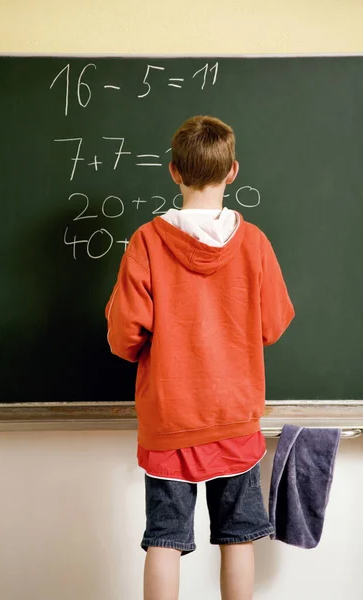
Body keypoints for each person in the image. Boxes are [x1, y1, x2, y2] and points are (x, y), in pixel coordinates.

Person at [106, 115, 294, 600]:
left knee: (165, 540)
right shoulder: (254, 243)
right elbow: (273, 324)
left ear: (174, 172)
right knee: (239, 537)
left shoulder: (146, 242)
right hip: (233, 417)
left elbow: (124, 337)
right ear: (232, 171)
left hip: (169, 418)